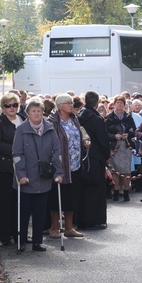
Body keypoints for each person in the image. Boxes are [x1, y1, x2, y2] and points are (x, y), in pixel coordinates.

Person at [12, 98, 64, 252]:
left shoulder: (49, 128)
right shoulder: (21, 130)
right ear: (28, 113)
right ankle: (21, 241)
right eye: (33, 111)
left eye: (39, 111)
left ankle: (37, 242)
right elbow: (17, 154)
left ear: (43, 113)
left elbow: (57, 152)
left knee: (40, 212)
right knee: (24, 212)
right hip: (26, 178)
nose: (36, 114)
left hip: (44, 178)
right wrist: (21, 174)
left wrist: (58, 172)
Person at [0, 93, 26, 246]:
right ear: (3, 108)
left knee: (21, 203)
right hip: (5, 167)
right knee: (5, 202)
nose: (12, 108)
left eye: (15, 105)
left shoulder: (23, 119)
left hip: (22, 167)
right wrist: (17, 150)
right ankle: (4, 235)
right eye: (8, 105)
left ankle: (19, 234)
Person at [48, 94, 86, 239]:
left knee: (72, 196)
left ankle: (69, 227)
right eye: (68, 103)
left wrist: (85, 141)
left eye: (72, 103)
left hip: (75, 164)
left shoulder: (74, 119)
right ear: (59, 106)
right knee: (56, 197)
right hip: (60, 165)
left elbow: (80, 134)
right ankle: (55, 228)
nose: (71, 105)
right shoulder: (52, 121)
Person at [76, 91, 112, 230]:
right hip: (95, 158)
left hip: (81, 158)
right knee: (96, 191)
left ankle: (81, 219)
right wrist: (106, 156)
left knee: (82, 190)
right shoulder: (97, 120)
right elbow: (104, 140)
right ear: (97, 103)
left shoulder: (78, 117)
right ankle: (95, 219)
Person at [105, 95, 137, 201]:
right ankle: (116, 191)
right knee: (115, 170)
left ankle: (126, 191)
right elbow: (105, 133)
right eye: (117, 102)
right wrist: (114, 136)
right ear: (114, 104)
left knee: (126, 170)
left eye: (121, 103)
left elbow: (134, 131)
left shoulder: (128, 117)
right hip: (114, 146)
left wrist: (128, 134)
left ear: (124, 105)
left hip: (125, 146)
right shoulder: (108, 118)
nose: (119, 104)